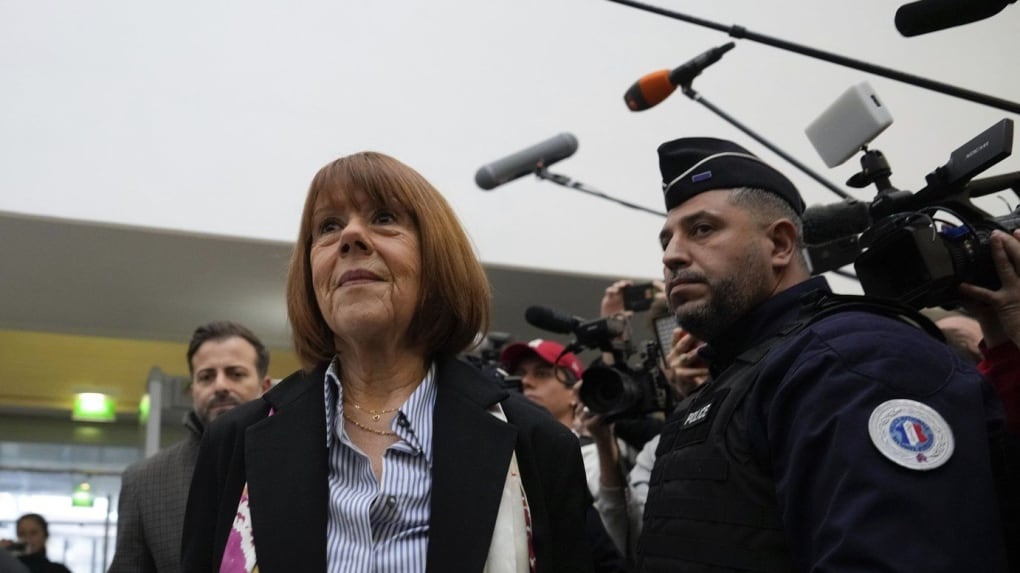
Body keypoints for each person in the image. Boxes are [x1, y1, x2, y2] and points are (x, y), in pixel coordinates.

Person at [181, 152, 593, 572]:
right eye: (328, 226)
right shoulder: (234, 443)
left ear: (436, 257)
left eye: (383, 218)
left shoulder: (537, 445)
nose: (350, 237)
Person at [638, 137, 1009, 571]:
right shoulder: (737, 378)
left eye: (702, 229)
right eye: (666, 240)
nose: (672, 256)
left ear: (780, 244)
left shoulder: (853, 360)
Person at [108, 321, 272, 573]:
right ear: (192, 390)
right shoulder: (144, 482)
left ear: (265, 386)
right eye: (206, 377)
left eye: (236, 374)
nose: (220, 386)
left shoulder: (299, 462)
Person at [0, 514, 71, 573]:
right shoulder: (8, 564)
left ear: (45, 536)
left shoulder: (57, 570)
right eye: (22, 533)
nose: (27, 538)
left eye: (33, 533)